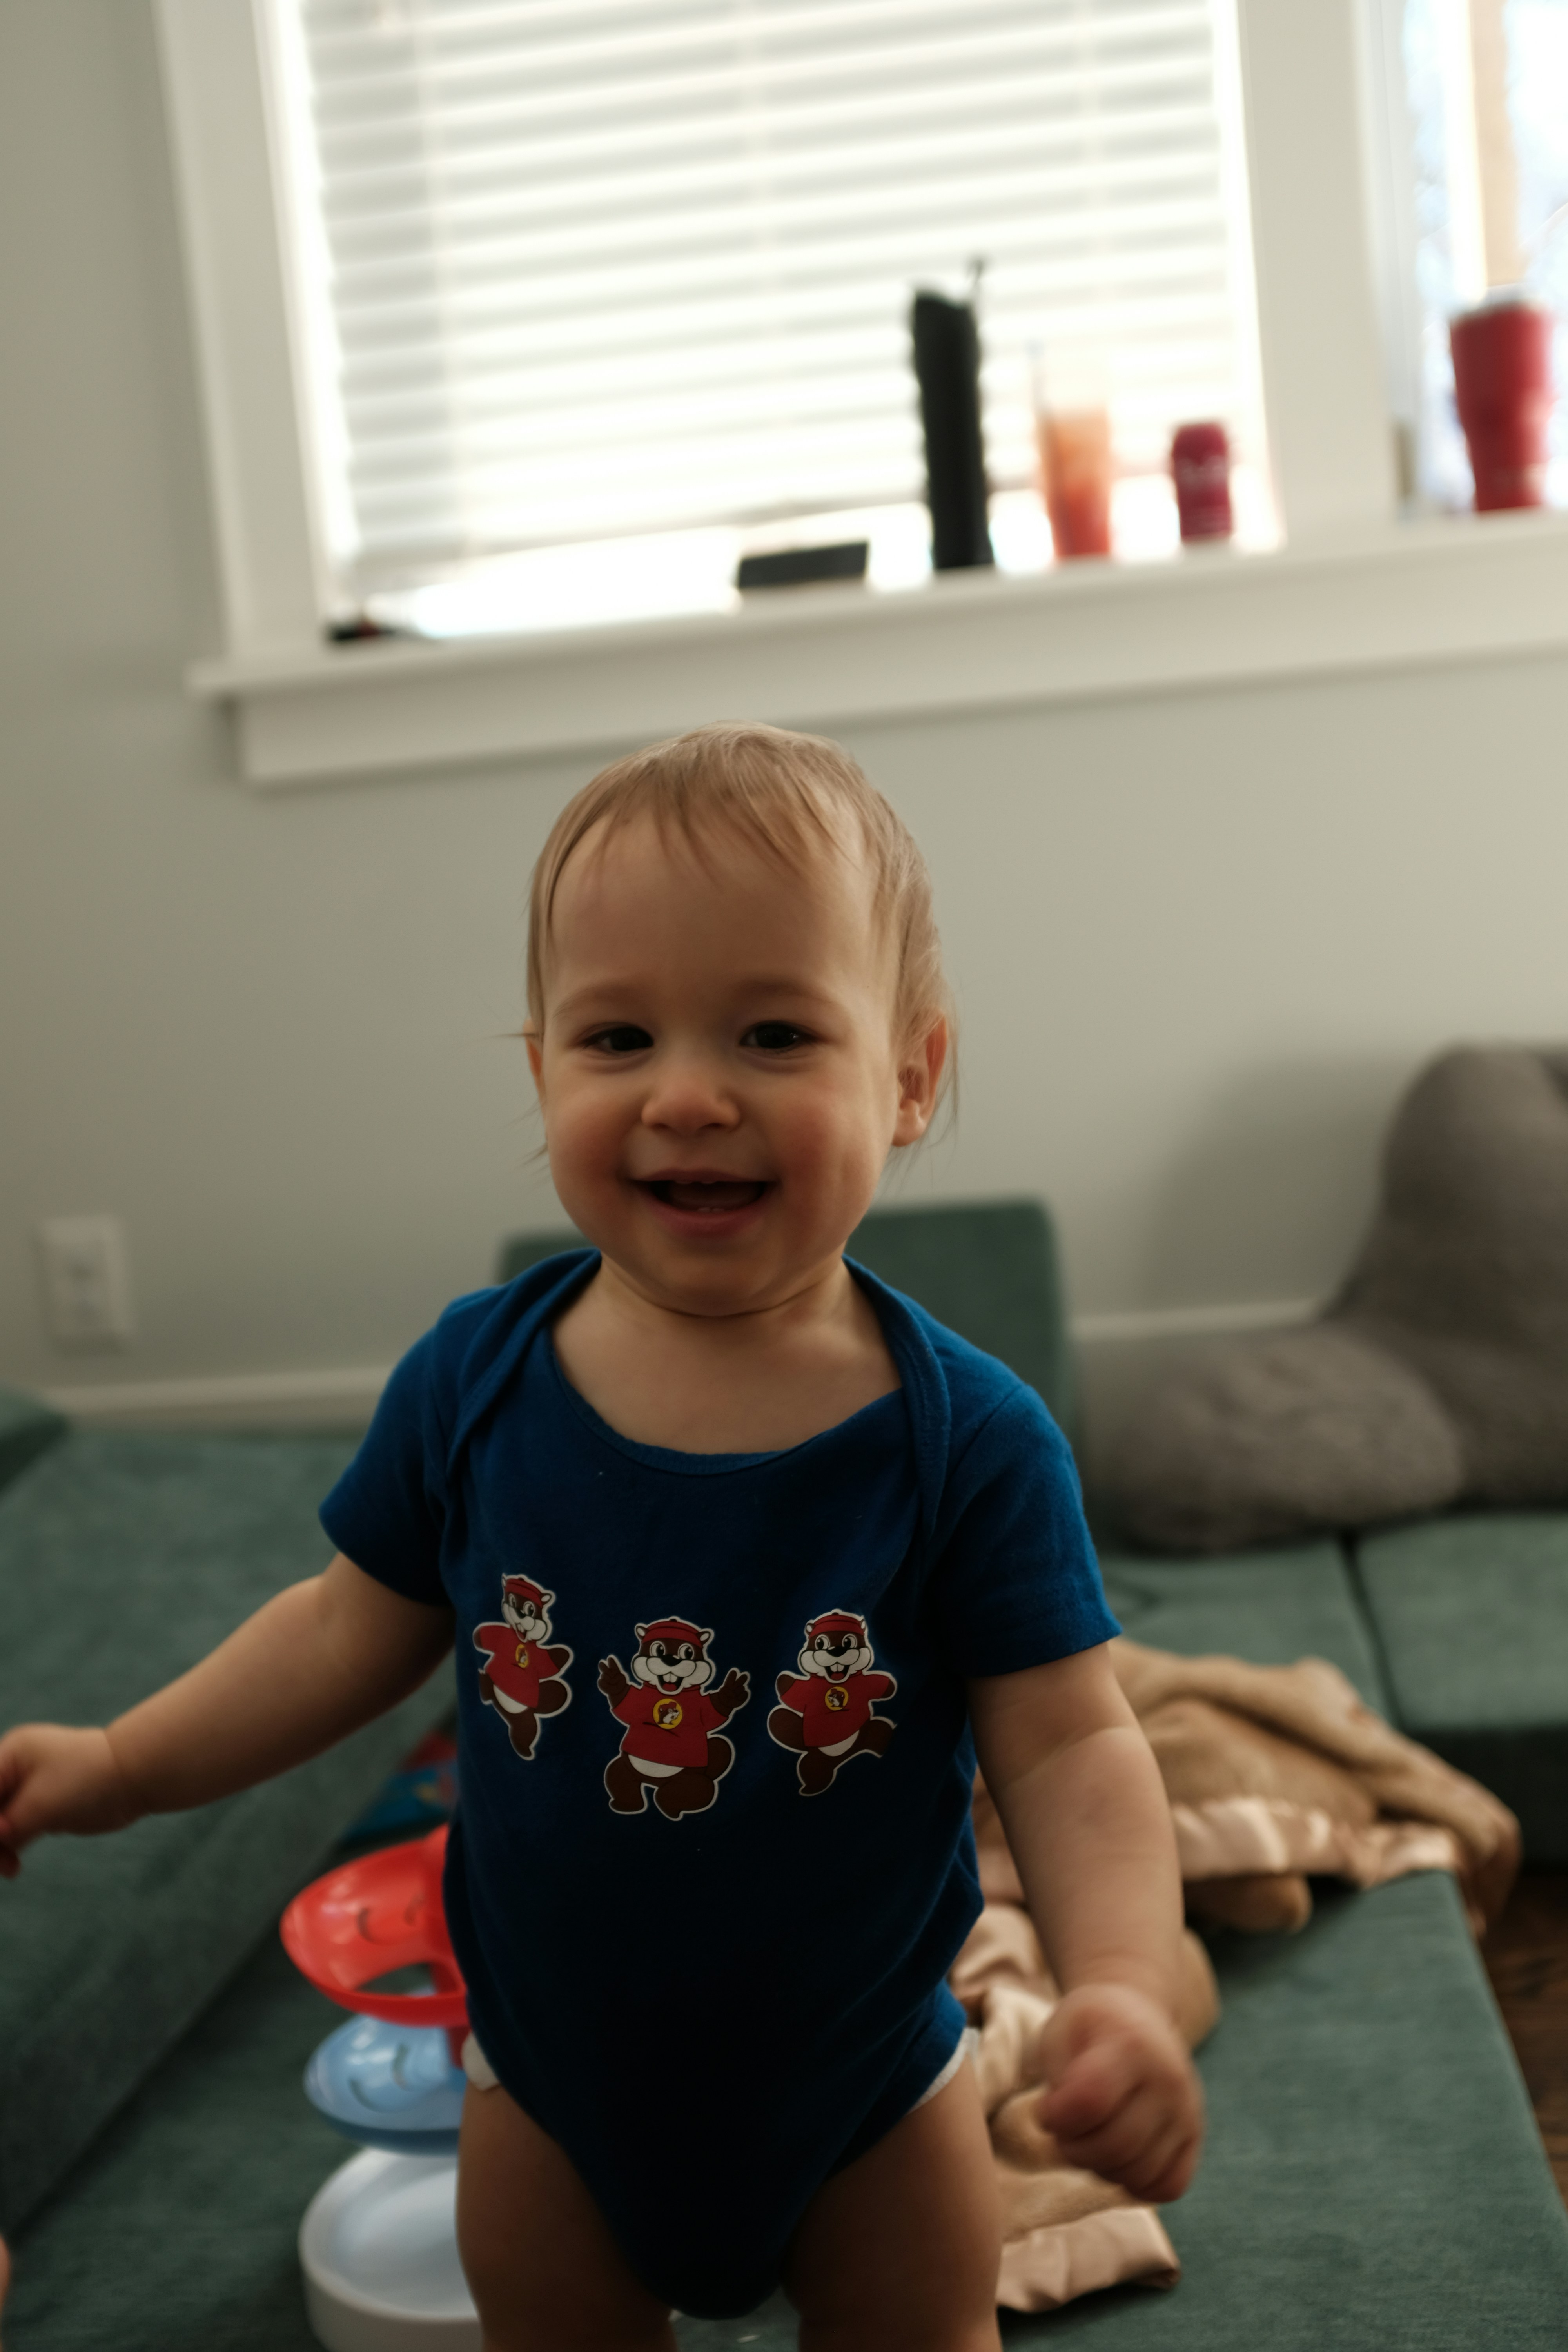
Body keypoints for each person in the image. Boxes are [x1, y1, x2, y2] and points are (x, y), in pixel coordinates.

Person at [0, 725, 1202, 2352]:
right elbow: (344, 1628)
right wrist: (124, 1765)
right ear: (542, 1071)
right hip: (550, 2081)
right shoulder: (473, 1382)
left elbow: (1069, 1755)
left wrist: (1126, 1977)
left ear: (909, 1077)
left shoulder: (965, 1440)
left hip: (865, 2086)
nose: (688, 1095)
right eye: (617, 1035)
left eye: (775, 1032)